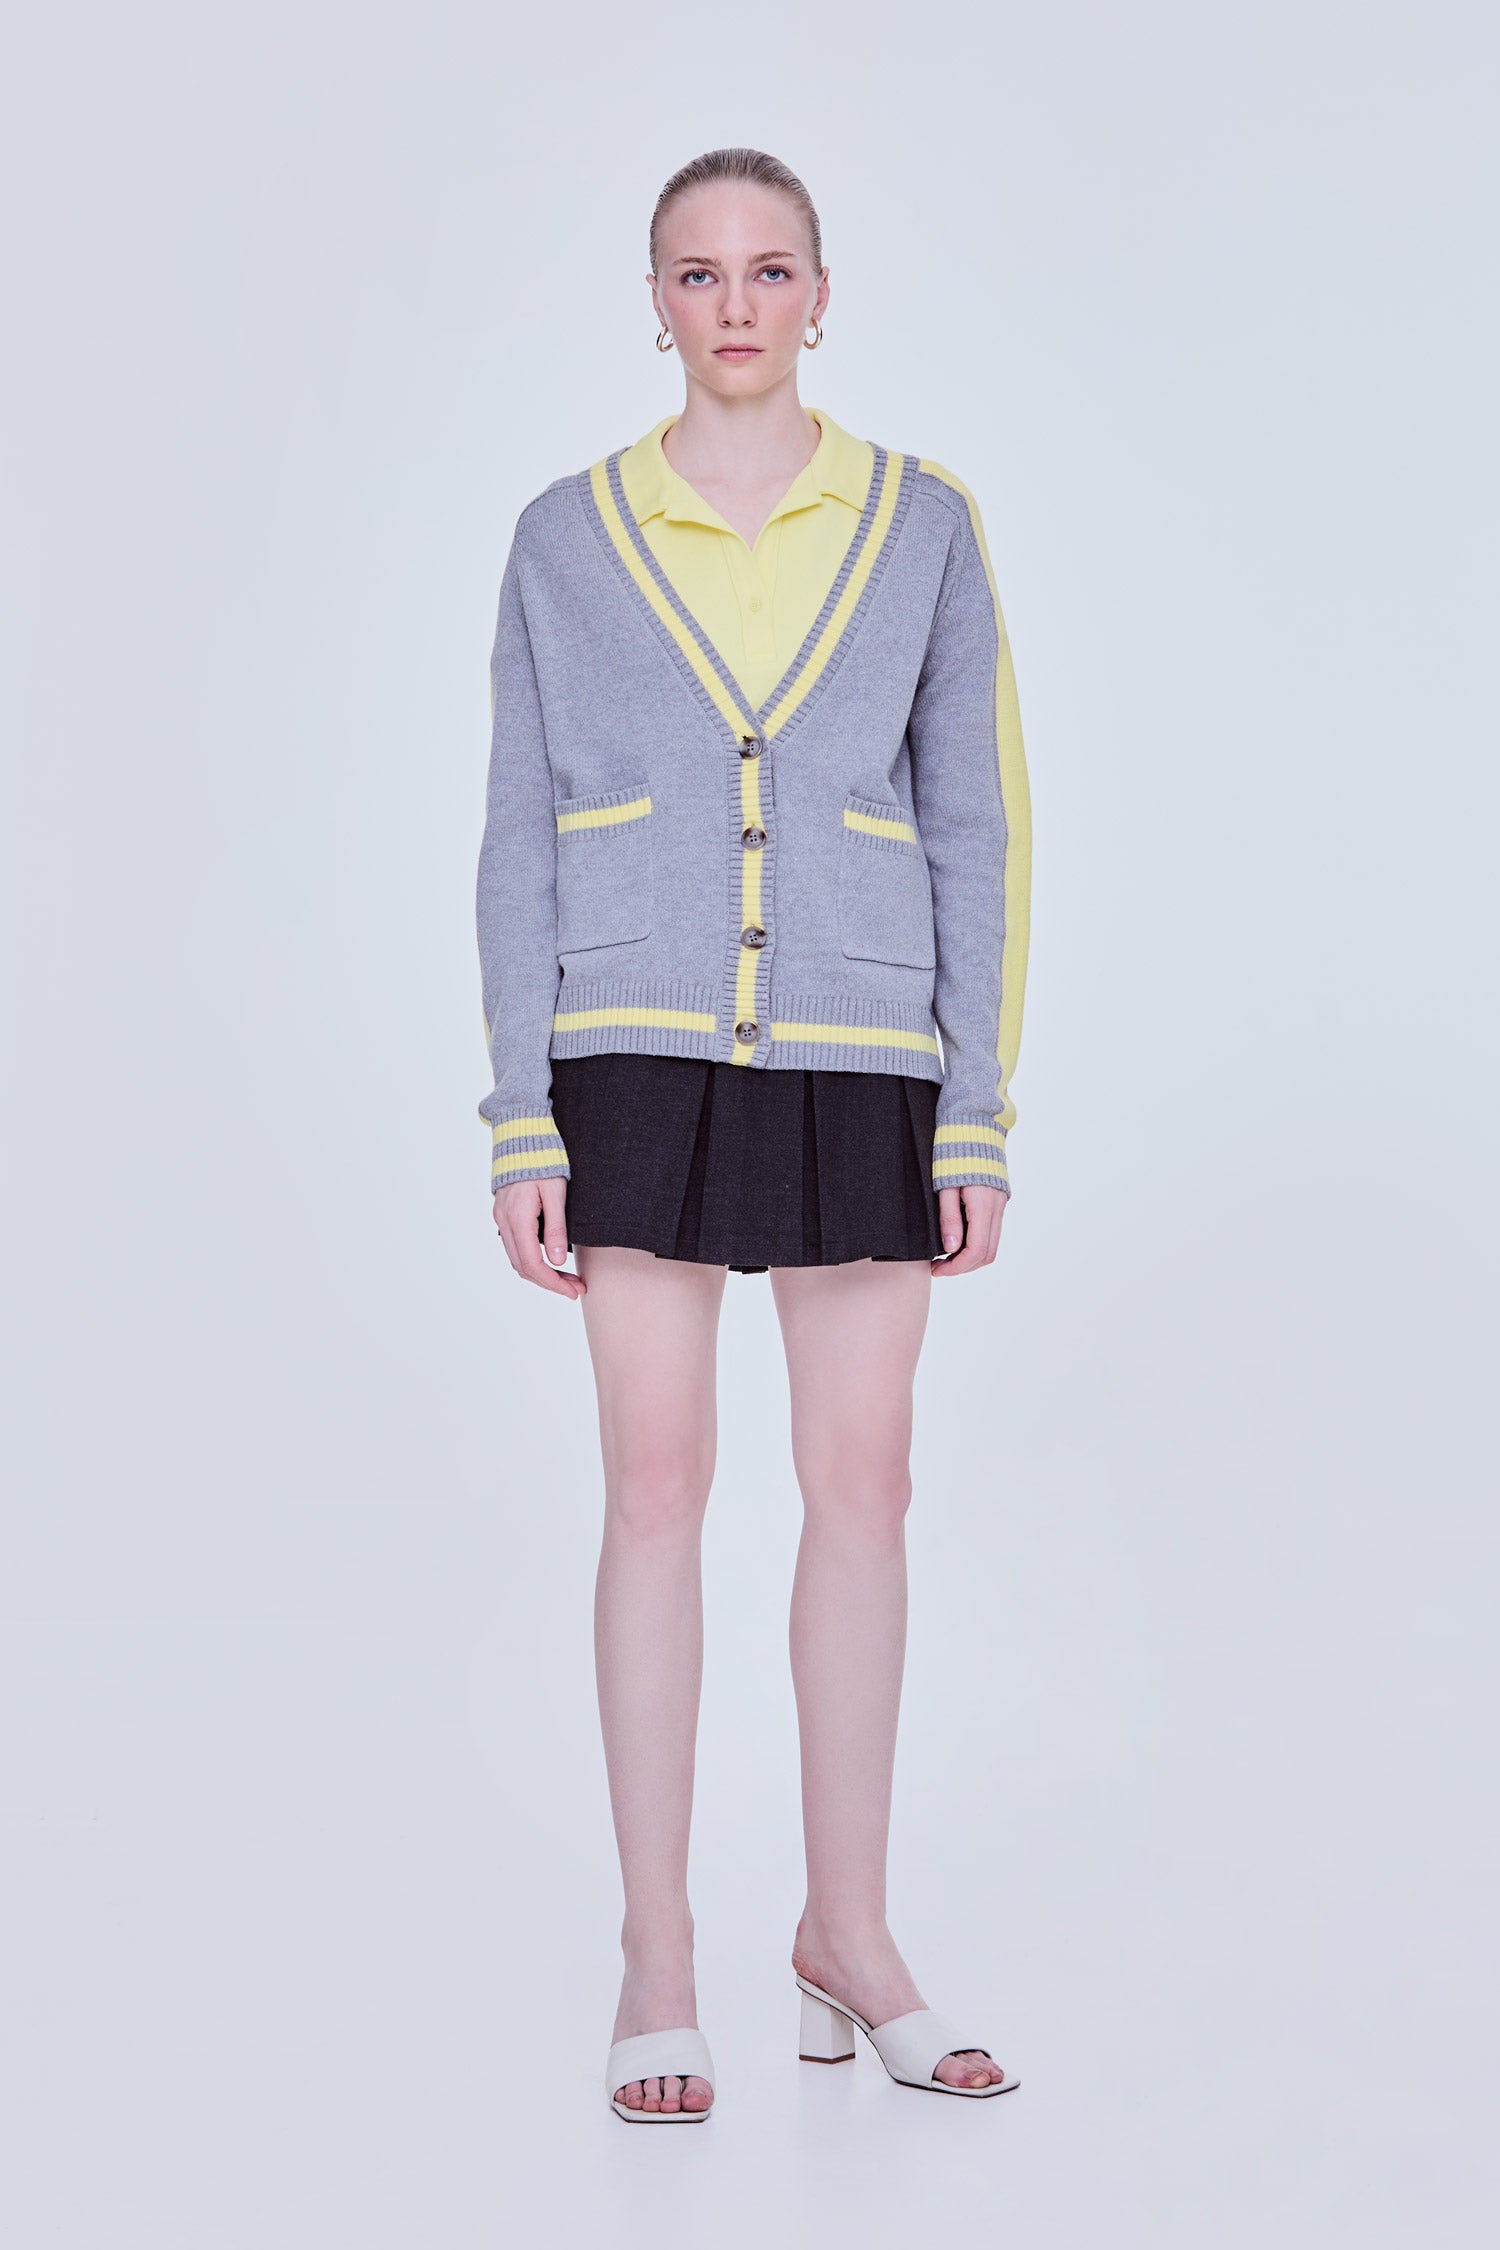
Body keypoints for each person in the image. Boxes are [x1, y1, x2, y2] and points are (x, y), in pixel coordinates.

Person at [475, 147, 1031, 2122]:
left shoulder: (922, 524)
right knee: (654, 1483)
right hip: (627, 1050)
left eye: (769, 269)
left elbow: (973, 818)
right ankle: (659, 1949)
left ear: (820, 292)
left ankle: (847, 1933)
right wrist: (516, 1114)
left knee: (865, 1481)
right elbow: (518, 827)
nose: (735, 303)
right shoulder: (566, 536)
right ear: (655, 300)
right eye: (699, 272)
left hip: (867, 1047)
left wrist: (975, 1107)